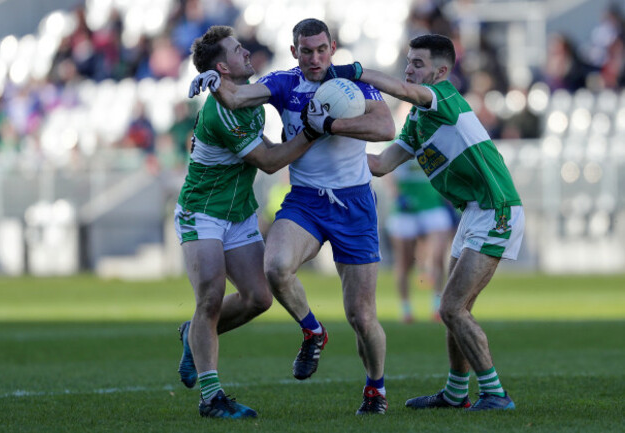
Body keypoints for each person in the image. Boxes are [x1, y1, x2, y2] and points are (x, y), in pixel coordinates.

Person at [189, 18, 396, 415]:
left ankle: (375, 389)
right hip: (305, 201)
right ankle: (312, 330)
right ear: (294, 52)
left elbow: (385, 127)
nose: (314, 58)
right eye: (306, 51)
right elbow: (237, 98)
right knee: (276, 267)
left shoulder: (352, 81)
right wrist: (215, 83)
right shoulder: (284, 83)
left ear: (332, 48)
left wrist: (332, 124)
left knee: (362, 315)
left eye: (321, 49)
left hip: (354, 205)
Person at [328, 34, 524, 411]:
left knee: (451, 306)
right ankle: (454, 393)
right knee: (456, 308)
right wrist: (329, 139)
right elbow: (382, 165)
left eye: (418, 63)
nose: (409, 69)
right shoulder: (418, 120)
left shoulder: (445, 97)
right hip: (473, 212)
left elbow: (404, 91)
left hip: (497, 209)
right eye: (408, 61)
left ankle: (496, 393)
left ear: (441, 71)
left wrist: (355, 72)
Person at [175, 25, 321, 420]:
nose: (247, 53)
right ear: (222, 66)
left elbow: (270, 148)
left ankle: (193, 336)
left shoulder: (248, 100)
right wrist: (314, 130)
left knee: (259, 298)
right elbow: (271, 161)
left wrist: (311, 142)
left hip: (238, 214)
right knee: (209, 296)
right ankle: (211, 397)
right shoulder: (221, 110)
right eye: (238, 50)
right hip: (202, 212)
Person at [385, 157, 455, 323]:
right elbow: (388, 173)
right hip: (405, 211)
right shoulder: (398, 143)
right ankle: (406, 308)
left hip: (433, 207)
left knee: (438, 257)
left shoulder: (434, 143)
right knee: (404, 262)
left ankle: (437, 306)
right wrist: (396, 195)